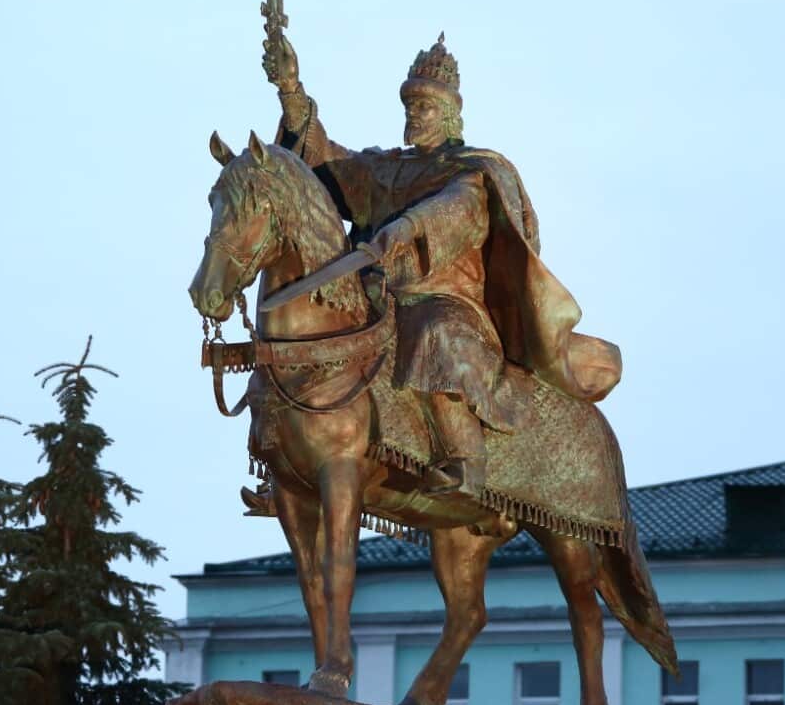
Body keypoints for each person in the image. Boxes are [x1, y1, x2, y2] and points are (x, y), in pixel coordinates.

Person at [264, 33, 622, 496]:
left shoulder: (470, 170)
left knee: (437, 333)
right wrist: (291, 89)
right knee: (306, 336)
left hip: (445, 299)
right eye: (410, 106)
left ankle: (463, 461)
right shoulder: (385, 168)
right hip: (375, 293)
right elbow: (325, 159)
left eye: (425, 107)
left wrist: (407, 227)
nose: (414, 115)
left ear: (450, 113)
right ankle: (292, 459)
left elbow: (456, 209)